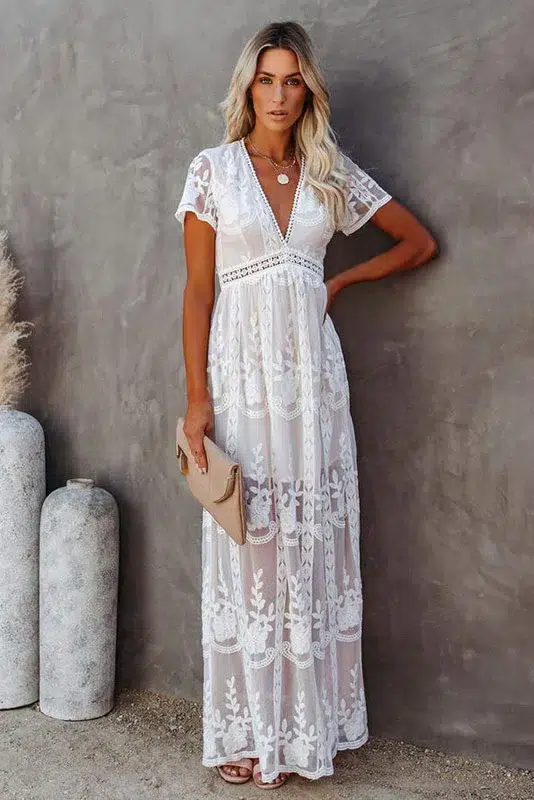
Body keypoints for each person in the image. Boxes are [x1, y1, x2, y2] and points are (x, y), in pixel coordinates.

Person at [175, 20, 437, 790]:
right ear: (248, 88)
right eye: (267, 80)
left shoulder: (328, 172)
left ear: (307, 91)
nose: (280, 95)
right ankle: (251, 732)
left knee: (309, 544)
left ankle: (302, 733)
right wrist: (197, 401)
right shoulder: (213, 171)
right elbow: (198, 293)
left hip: (312, 387)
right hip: (241, 382)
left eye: (293, 81)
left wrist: (340, 281)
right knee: (251, 540)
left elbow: (417, 242)